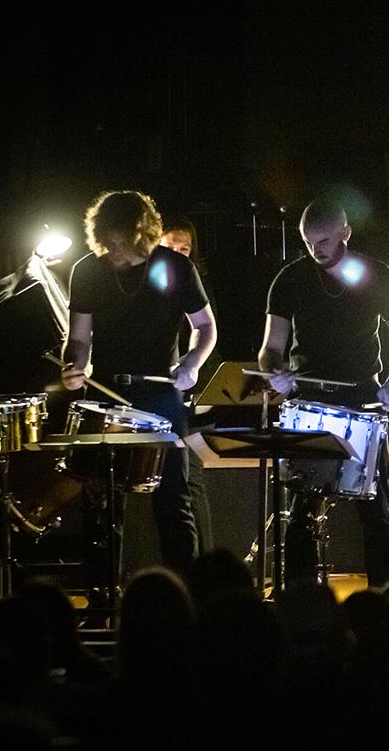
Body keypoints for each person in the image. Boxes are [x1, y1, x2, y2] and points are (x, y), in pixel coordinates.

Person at [258, 200, 389, 588]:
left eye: (325, 240)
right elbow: (270, 348)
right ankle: (299, 599)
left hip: (361, 399)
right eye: (309, 242)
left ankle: (386, 601)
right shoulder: (290, 278)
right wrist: (274, 372)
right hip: (308, 400)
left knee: (376, 512)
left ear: (346, 232)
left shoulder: (375, 273)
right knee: (301, 512)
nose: (317, 250)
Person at [61, 191, 217, 579]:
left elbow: (205, 327)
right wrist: (74, 364)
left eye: (122, 244)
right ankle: (102, 596)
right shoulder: (88, 270)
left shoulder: (176, 267)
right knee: (101, 501)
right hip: (106, 395)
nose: (113, 252)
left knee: (173, 501)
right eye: (107, 243)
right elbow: (78, 337)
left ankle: (185, 597)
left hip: (161, 394)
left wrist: (193, 363)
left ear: (144, 236)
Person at [158, 216, 216, 554]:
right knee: (183, 484)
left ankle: (201, 568)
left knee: (188, 485)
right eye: (170, 247)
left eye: (185, 249)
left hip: (187, 394)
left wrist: (192, 367)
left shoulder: (192, 285)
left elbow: (207, 334)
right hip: (163, 395)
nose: (178, 255)